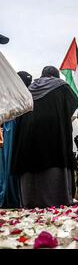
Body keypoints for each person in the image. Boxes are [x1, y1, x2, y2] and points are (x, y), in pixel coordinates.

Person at [12, 66, 78, 209]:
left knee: (30, 160)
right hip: (54, 132)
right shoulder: (62, 87)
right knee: (54, 159)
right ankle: (56, 198)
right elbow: (74, 103)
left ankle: (30, 200)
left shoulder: (29, 89)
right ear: (56, 76)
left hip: (29, 133)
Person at [0, 71, 32, 209]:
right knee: (10, 162)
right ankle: (10, 196)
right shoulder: (17, 96)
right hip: (10, 129)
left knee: (9, 163)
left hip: (12, 128)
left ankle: (11, 195)